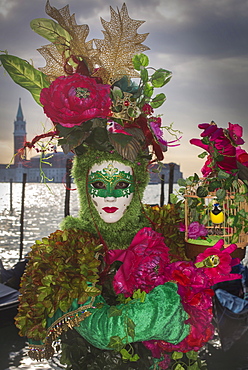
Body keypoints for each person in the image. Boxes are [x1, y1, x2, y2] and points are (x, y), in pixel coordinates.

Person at [0, 2, 243, 369]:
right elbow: (86, 327)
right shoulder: (64, 252)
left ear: (139, 182)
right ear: (84, 184)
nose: (111, 195)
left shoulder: (160, 229)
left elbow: (218, 233)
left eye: (122, 183)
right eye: (100, 183)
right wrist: (162, 313)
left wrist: (224, 166)